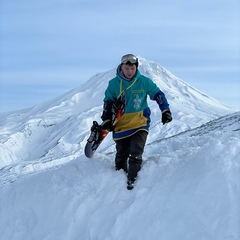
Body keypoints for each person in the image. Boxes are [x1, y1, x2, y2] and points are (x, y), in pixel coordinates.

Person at [101, 54, 172, 189]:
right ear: (122, 67)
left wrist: (165, 110)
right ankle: (116, 184)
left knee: (136, 151)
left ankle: (132, 180)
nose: (130, 72)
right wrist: (106, 120)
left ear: (136, 68)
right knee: (121, 155)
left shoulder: (144, 82)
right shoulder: (114, 84)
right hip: (121, 125)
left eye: (133, 68)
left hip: (140, 122)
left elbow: (158, 94)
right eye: (127, 68)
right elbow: (108, 102)